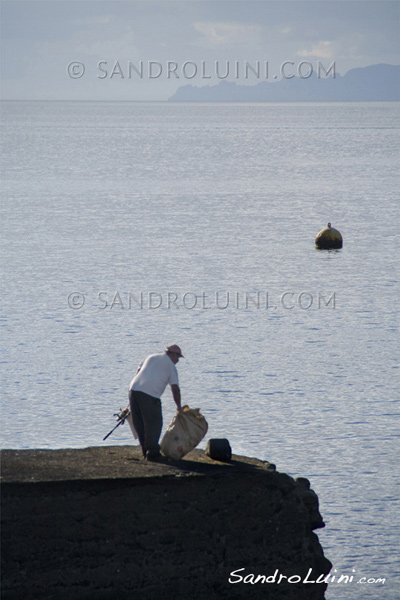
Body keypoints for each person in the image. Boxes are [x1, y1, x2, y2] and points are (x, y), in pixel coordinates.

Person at [128, 344, 184, 460]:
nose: (178, 360)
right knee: (154, 424)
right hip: (150, 395)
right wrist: (179, 406)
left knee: (140, 423)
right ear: (173, 355)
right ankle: (153, 453)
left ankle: (145, 450)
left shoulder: (150, 357)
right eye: (178, 357)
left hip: (133, 390)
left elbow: (138, 372)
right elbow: (175, 388)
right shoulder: (170, 366)